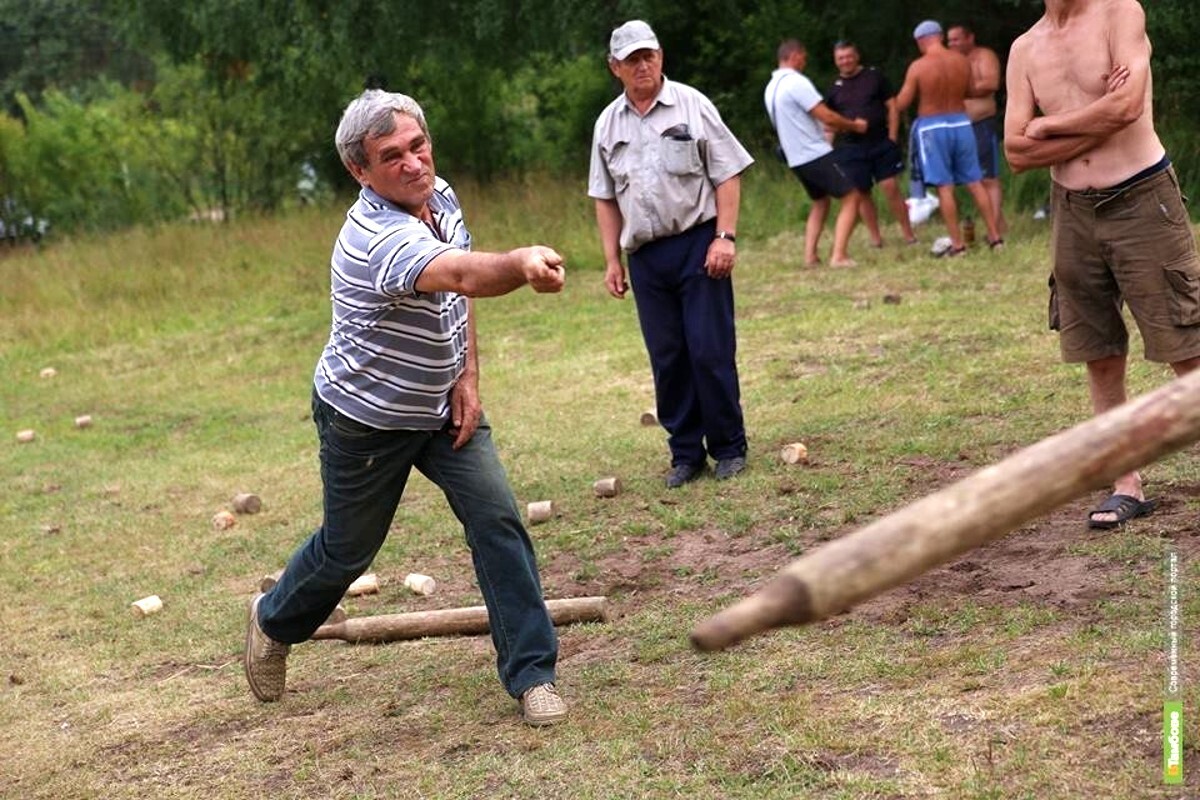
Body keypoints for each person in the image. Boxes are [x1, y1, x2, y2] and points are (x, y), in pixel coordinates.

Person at [243, 89, 570, 727]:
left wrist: (467, 376)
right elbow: (465, 275)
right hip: (367, 420)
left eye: (419, 145)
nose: (414, 163)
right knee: (347, 552)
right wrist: (522, 262)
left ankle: (534, 676)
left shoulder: (436, 195)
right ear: (359, 171)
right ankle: (273, 618)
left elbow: (456, 296)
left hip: (445, 408)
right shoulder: (375, 238)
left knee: (498, 519)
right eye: (392, 156)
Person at [1005, 0, 1200, 528]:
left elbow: (1126, 109)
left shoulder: (1120, 13)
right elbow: (1015, 152)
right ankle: (1125, 483)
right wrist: (1078, 123)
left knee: (1185, 347)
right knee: (1099, 352)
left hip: (1141, 197)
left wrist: (1048, 128)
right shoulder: (1025, 48)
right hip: (1072, 211)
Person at [589, 20, 753, 488]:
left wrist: (726, 237)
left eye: (649, 55)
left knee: (709, 349)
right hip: (645, 256)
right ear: (615, 67)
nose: (643, 65)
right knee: (669, 357)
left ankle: (728, 447)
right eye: (632, 59)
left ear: (660, 57)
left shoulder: (691, 104)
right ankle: (685, 454)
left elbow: (728, 173)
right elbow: (604, 196)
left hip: (699, 245)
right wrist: (611, 260)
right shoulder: (608, 123)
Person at [895, 20, 1003, 256]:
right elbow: (972, 90)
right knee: (975, 181)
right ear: (941, 36)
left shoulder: (919, 66)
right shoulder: (961, 61)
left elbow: (903, 102)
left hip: (933, 126)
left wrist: (888, 105)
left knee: (945, 187)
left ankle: (957, 244)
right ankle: (996, 238)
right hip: (962, 122)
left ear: (920, 41)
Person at [765, 39, 869, 267]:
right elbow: (826, 116)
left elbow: (797, 120)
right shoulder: (796, 82)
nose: (805, 61)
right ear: (794, 56)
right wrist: (854, 126)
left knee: (820, 201)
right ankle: (839, 256)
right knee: (852, 197)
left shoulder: (771, 87)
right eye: (803, 57)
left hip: (794, 157)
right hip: (813, 152)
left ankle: (810, 257)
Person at [824, 40, 918, 248]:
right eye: (841, 58)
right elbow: (829, 122)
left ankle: (908, 234)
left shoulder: (874, 77)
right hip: (851, 147)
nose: (845, 61)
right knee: (861, 192)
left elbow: (892, 107)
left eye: (849, 56)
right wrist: (827, 150)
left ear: (856, 56)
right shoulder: (833, 89)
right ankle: (876, 238)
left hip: (880, 142)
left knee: (890, 186)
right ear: (836, 61)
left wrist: (893, 137)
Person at [947, 23, 1007, 235]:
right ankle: (992, 224)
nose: (952, 43)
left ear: (970, 38)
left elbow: (991, 83)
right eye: (950, 40)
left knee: (988, 178)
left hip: (981, 124)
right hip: (956, 126)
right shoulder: (949, 61)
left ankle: (996, 230)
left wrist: (960, 89)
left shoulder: (984, 55)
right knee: (958, 181)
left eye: (956, 39)